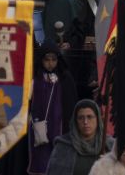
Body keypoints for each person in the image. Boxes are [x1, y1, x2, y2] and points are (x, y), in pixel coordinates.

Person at [29, 42, 78, 174]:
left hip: (60, 124)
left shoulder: (65, 77)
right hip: (39, 126)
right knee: (41, 158)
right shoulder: (35, 78)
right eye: (47, 59)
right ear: (41, 60)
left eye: (54, 59)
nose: (50, 63)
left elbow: (71, 103)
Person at [46, 100, 112, 175]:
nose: (85, 122)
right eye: (81, 118)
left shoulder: (109, 146)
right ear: (75, 121)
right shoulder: (63, 146)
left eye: (89, 117)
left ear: (98, 119)